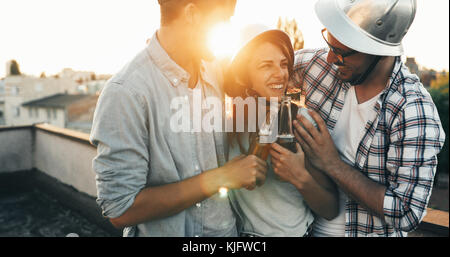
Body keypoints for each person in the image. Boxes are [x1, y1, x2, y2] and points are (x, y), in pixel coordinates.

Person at [90, 0, 269, 237]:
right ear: (192, 14)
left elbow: (259, 76)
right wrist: (222, 177)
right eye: (223, 19)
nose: (228, 27)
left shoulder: (215, 70)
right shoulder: (126, 92)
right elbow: (120, 210)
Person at [291, 0, 446, 237]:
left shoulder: (413, 110)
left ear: (379, 52)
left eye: (341, 52)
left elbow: (406, 212)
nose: (331, 59)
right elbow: (254, 68)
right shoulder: (319, 65)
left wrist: (332, 164)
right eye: (330, 44)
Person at [224, 24, 339, 237]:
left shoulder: (300, 122)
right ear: (242, 75)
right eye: (266, 66)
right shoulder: (227, 125)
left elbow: (330, 208)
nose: (280, 74)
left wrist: (300, 177)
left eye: (283, 64)